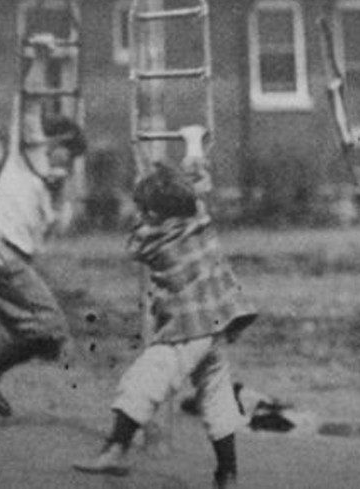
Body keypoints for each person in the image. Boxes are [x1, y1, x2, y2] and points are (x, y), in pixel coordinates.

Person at [73, 161, 257, 489]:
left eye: (144, 210)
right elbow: (198, 192)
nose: (140, 214)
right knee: (216, 396)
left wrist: (143, 212)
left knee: (144, 380)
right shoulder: (200, 220)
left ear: (154, 214)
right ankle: (227, 473)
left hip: (187, 327)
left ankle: (116, 449)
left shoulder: (153, 238)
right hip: (216, 325)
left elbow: (134, 244)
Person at [0, 33, 86, 418]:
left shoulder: (51, 189)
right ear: (53, 143)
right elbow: (28, 108)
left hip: (7, 262)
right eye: (64, 152)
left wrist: (59, 195)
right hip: (0, 256)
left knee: (44, 340)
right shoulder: (27, 157)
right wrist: (41, 61)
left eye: (72, 160)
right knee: (51, 329)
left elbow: (54, 229)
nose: (65, 163)